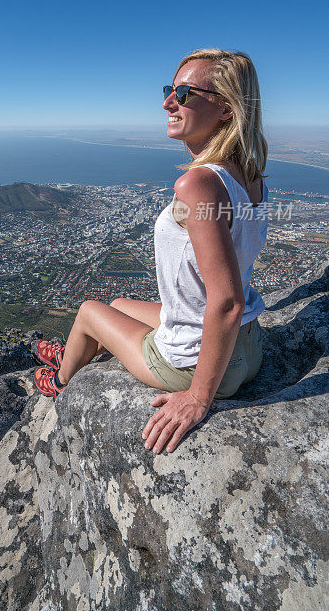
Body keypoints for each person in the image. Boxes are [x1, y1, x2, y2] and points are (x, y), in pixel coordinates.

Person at [34, 48, 269, 455]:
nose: (168, 101)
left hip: (200, 363)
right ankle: (75, 351)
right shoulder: (250, 177)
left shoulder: (197, 185)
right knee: (120, 303)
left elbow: (226, 302)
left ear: (227, 109)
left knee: (90, 310)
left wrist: (198, 397)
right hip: (248, 346)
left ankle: (61, 379)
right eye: (169, 89)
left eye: (185, 92)